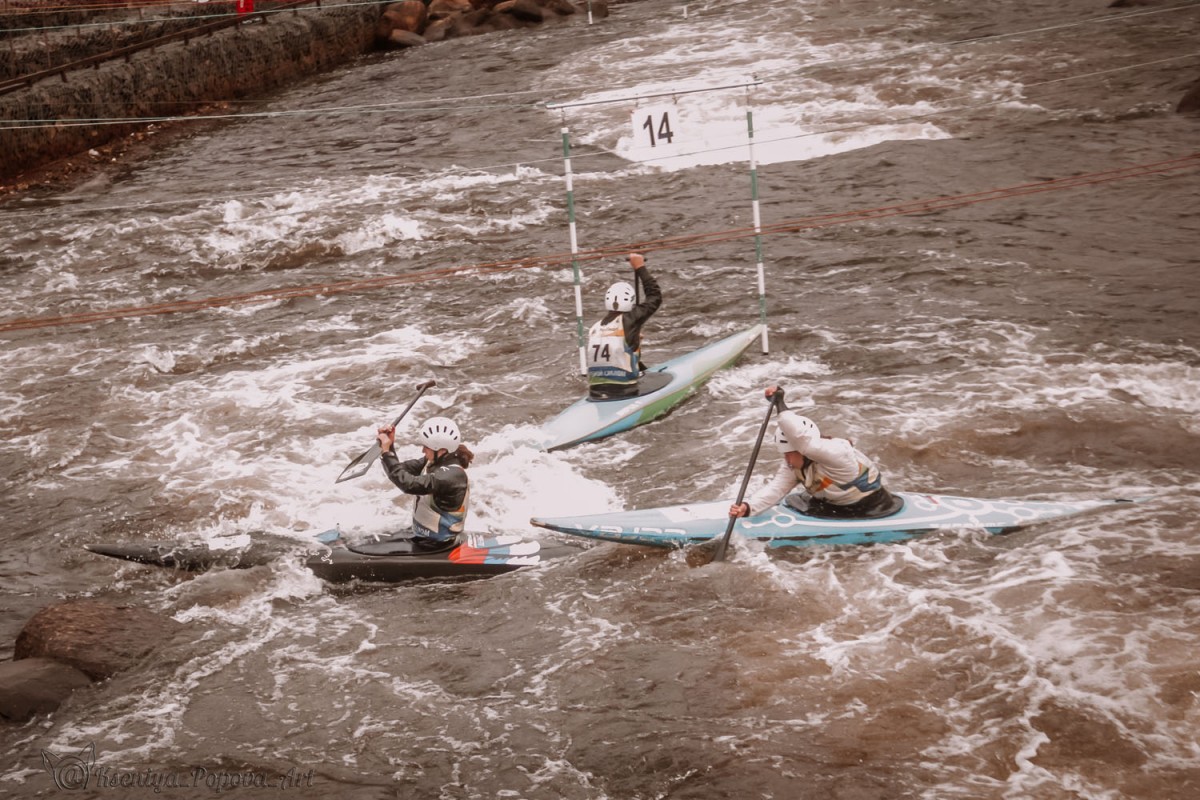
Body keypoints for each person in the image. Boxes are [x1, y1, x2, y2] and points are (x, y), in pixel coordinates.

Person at [729, 387, 896, 519]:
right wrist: (749, 507)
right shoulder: (794, 465)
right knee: (796, 499)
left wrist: (780, 404)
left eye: (789, 453)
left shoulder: (836, 453)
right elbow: (776, 488)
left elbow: (802, 439)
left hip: (870, 506)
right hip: (834, 504)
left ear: (802, 451)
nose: (786, 459)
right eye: (784, 454)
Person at [376, 416, 474, 547]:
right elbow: (400, 471)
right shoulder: (433, 460)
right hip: (422, 537)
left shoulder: (451, 476)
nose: (423, 450)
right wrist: (389, 447)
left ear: (441, 450)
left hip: (438, 544)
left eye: (426, 447)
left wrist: (386, 452)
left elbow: (408, 484)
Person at [586, 252, 663, 398]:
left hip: (595, 393)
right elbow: (655, 296)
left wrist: (633, 339)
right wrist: (640, 267)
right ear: (631, 302)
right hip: (624, 391)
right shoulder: (630, 319)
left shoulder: (595, 328)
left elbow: (616, 354)